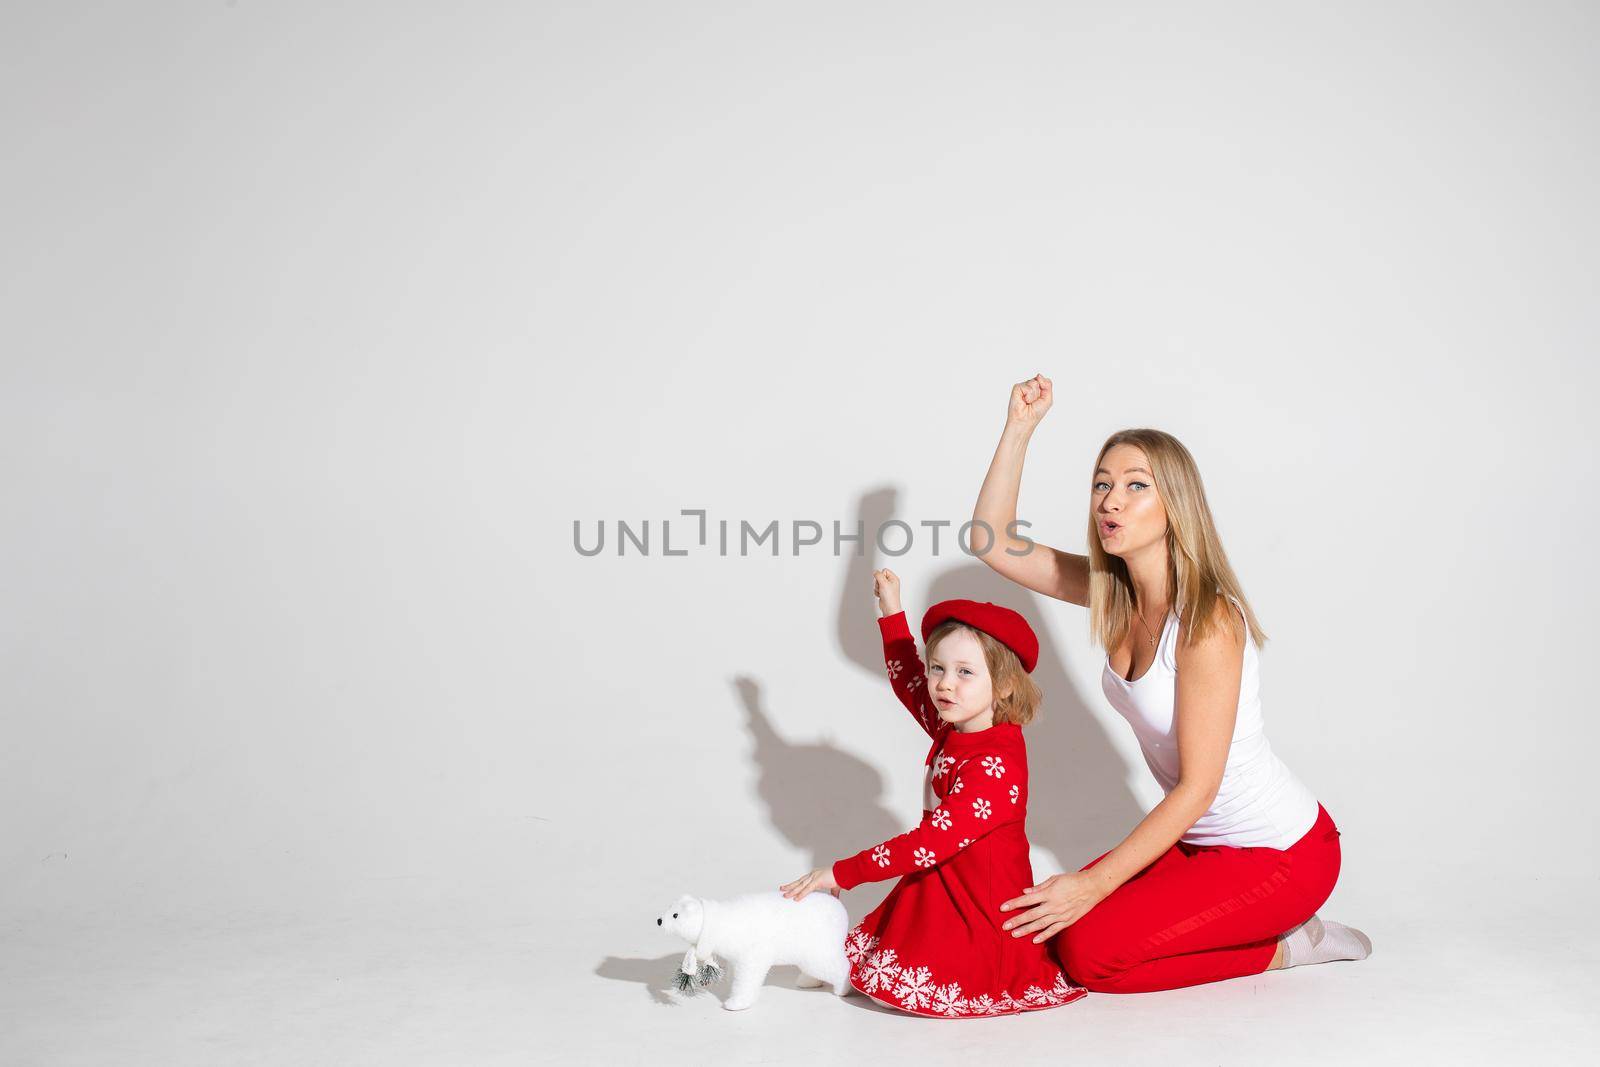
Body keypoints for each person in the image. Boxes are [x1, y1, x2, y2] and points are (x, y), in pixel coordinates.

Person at [972, 374, 1372, 993]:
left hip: (1282, 855)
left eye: (1135, 487)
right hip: (1195, 846)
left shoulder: (1208, 622)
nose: (1110, 500)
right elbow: (990, 544)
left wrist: (1092, 884)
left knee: (1089, 957)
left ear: (1174, 506)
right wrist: (1021, 428)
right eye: (1102, 485)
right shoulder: (1112, 592)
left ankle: (1290, 945)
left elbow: (1199, 789)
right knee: (1045, 930)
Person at [779, 569, 1088, 1017]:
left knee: (940, 968)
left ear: (1003, 685)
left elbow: (928, 843)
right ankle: (830, 961)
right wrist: (891, 610)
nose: (945, 683)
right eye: (939, 668)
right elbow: (907, 679)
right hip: (943, 874)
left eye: (965, 672)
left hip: (977, 899)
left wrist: (843, 873)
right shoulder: (956, 723)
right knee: (882, 947)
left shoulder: (994, 765)